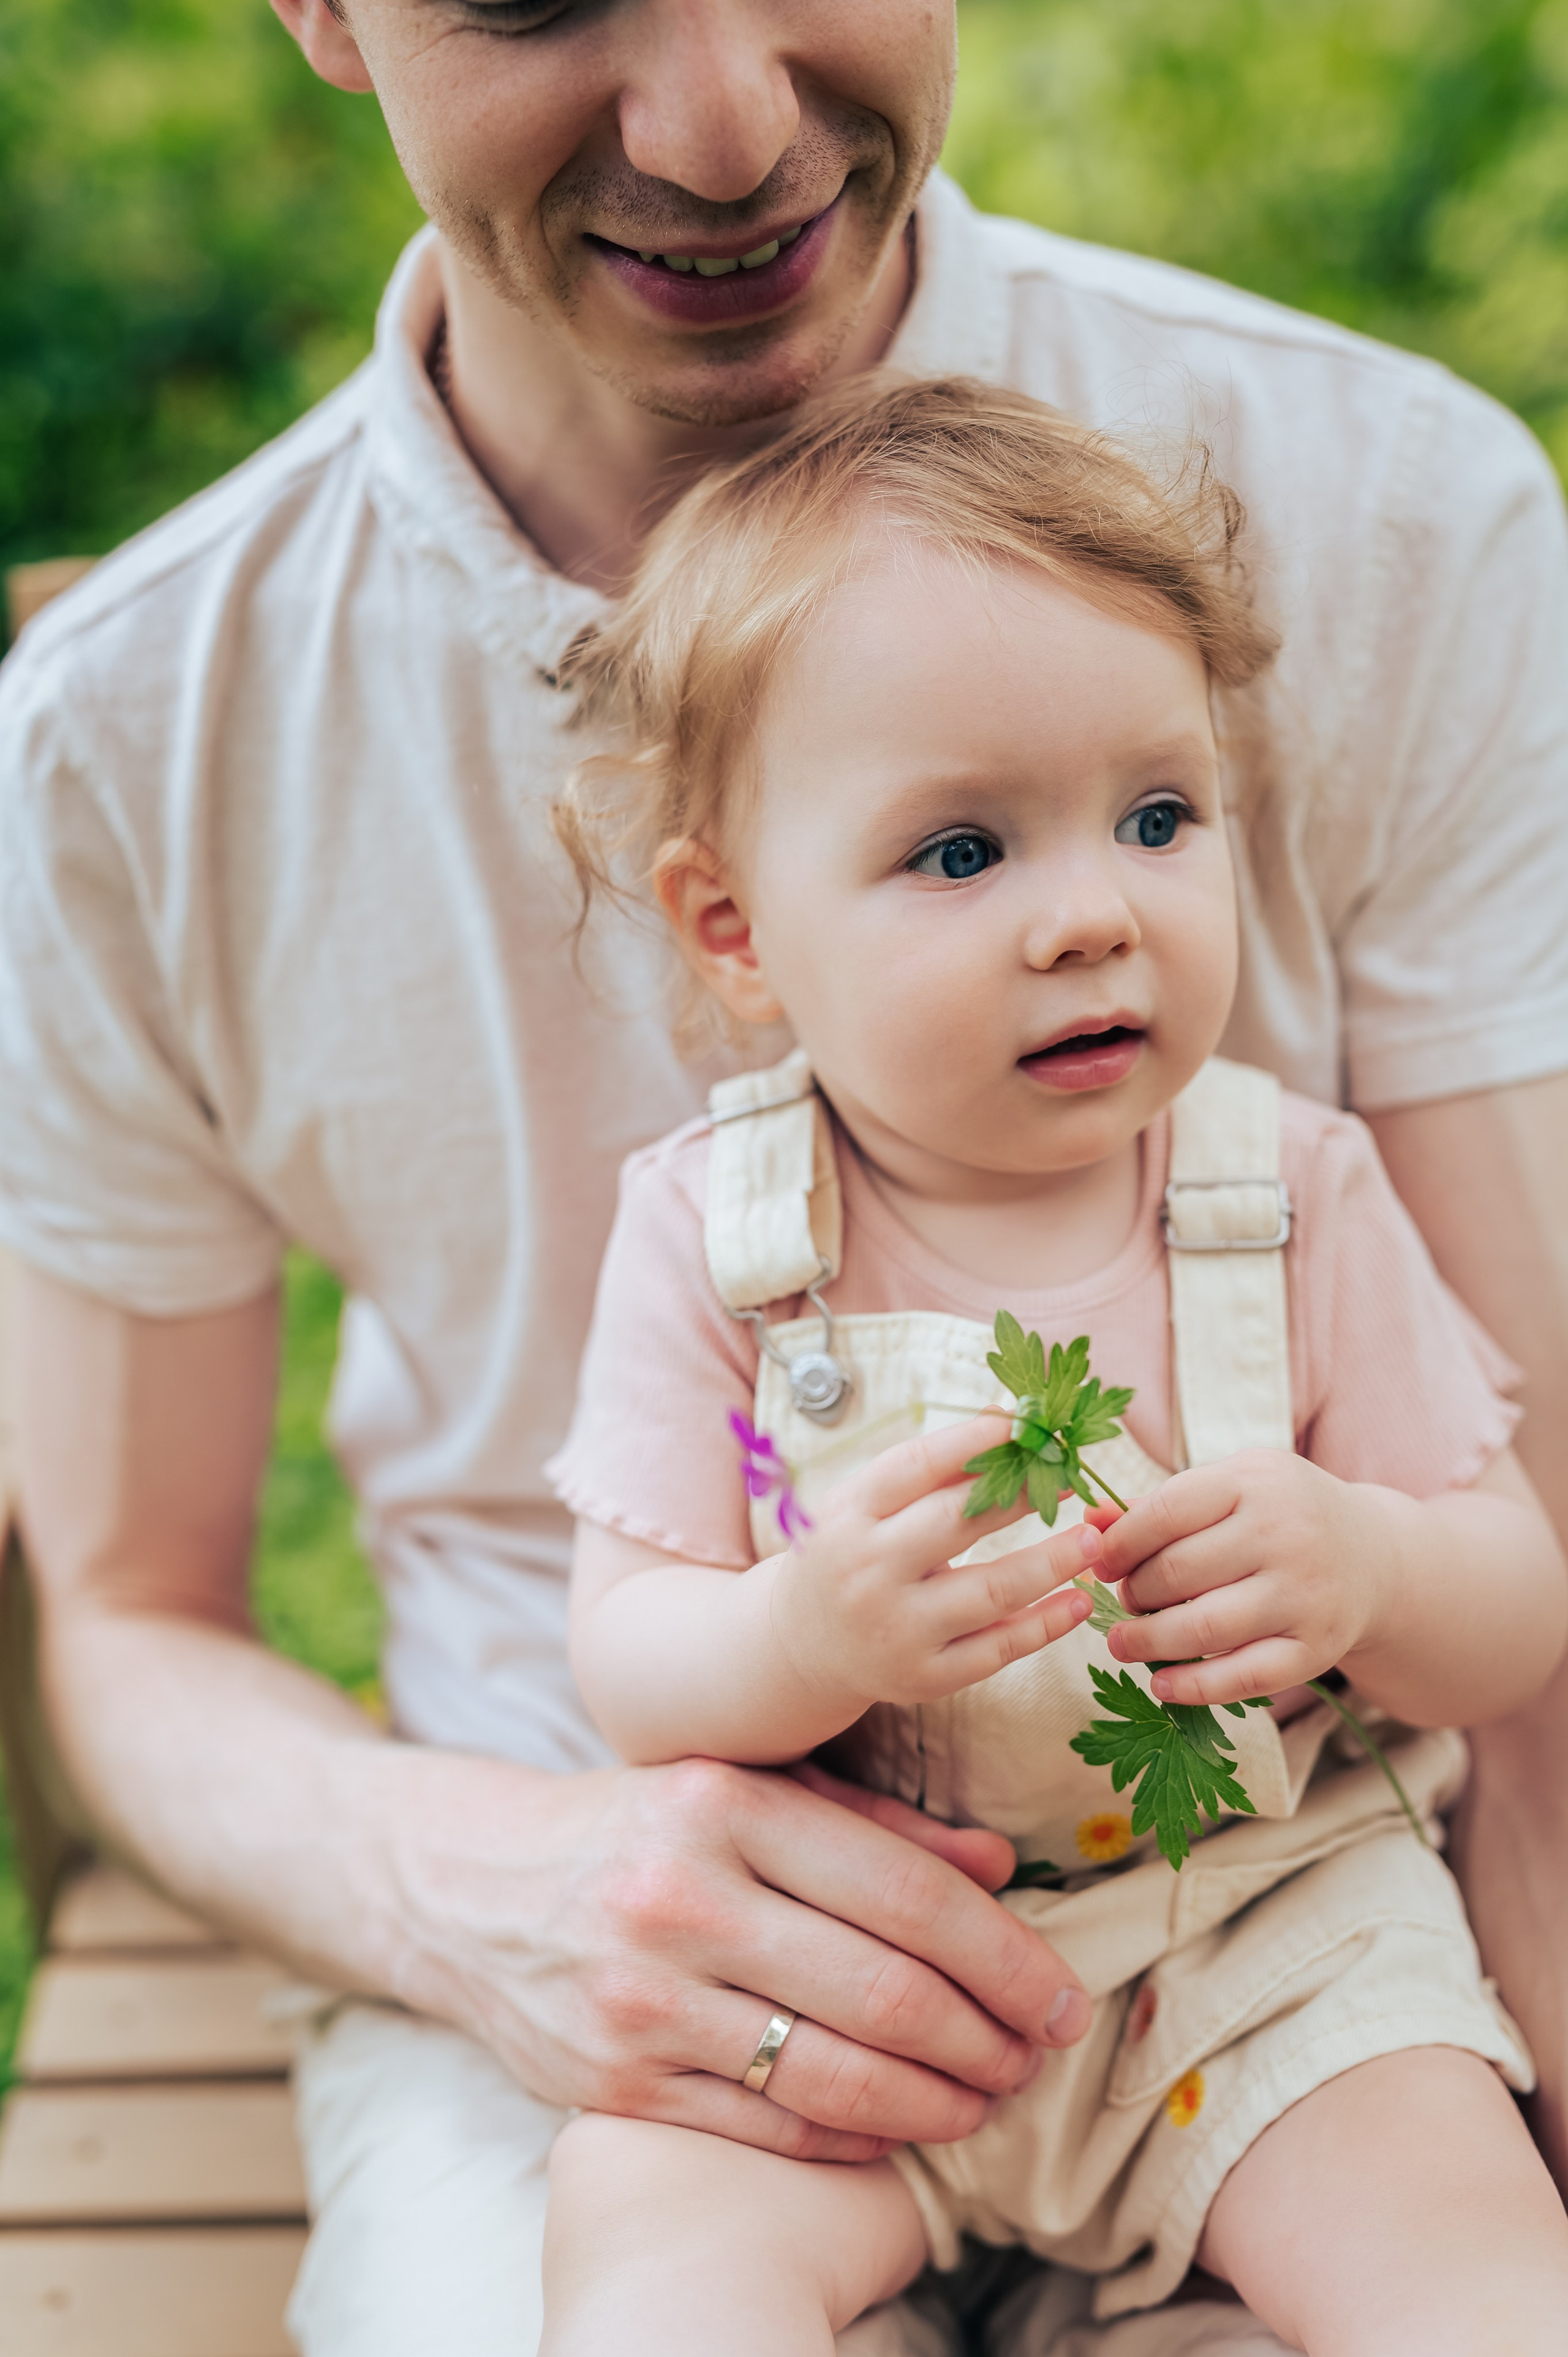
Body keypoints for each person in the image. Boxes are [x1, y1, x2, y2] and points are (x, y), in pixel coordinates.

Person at [0, 3, 1564, 2351]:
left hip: (1273, 1901)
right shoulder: (144, 736)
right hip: (632, 1925)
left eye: (1165, 815)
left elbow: (1521, 1531)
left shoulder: (1392, 517)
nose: (722, 130)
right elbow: (124, 1600)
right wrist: (519, 1880)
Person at [541, 374, 1568, 2355]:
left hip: (1258, 1951)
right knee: (653, 2246)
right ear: (738, 929)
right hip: (854, 1972)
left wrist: (1363, 1566)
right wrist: (804, 1637)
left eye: (1159, 816)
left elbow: (1514, 1605)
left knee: (1472, 2262)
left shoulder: (1292, 1190)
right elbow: (626, 1651)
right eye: (959, 854)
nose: (1093, 911)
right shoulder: (719, 1231)